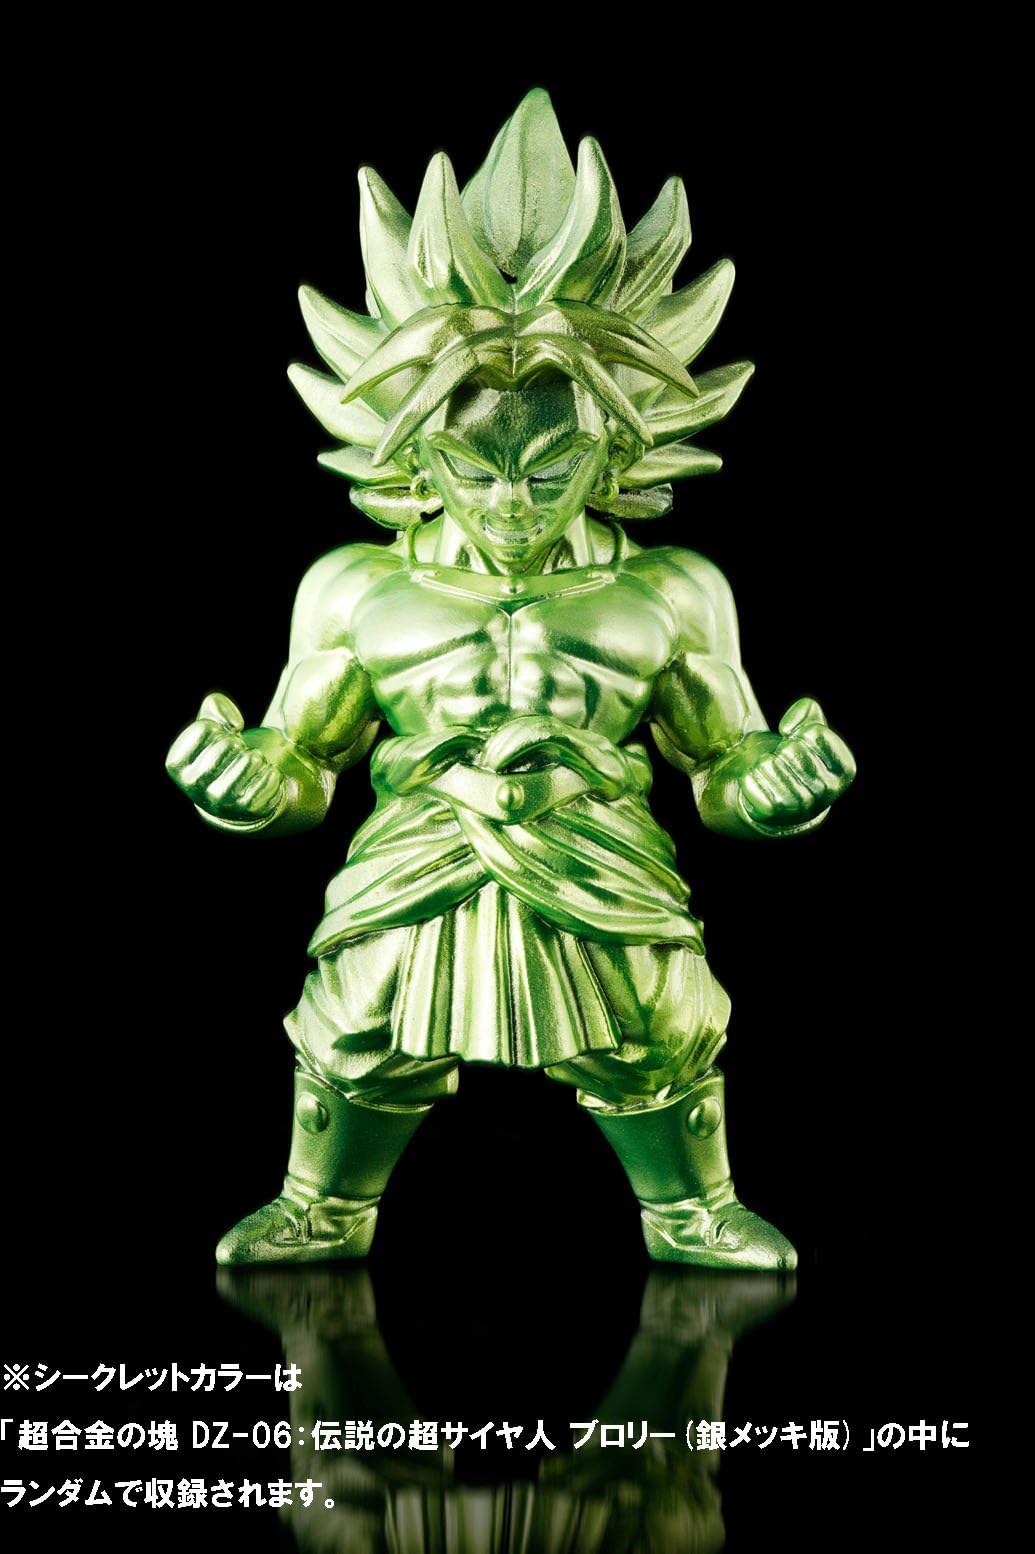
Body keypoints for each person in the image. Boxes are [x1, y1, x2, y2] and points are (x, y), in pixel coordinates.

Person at [167, 89, 855, 1270]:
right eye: (473, 462)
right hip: (420, 847)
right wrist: (244, 781)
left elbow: (722, 768)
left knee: (657, 1022)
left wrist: (779, 786)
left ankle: (690, 1210)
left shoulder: (668, 591)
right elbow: (303, 763)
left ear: (618, 442)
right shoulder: (358, 587)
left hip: (598, 849)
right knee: (361, 1018)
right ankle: (324, 1205)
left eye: (549, 464)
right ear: (412, 444)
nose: (508, 499)